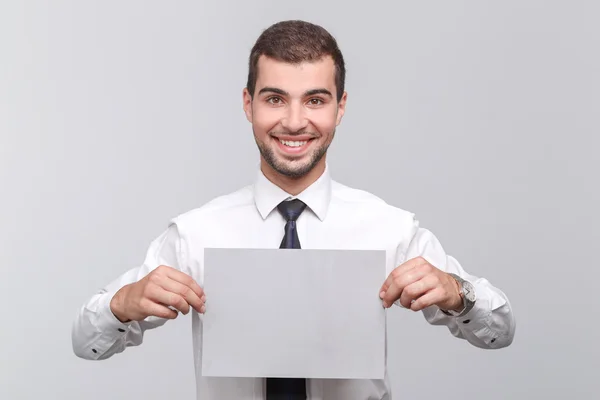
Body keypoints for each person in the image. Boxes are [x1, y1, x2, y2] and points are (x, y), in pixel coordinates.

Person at [72, 19, 515, 400]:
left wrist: (459, 293)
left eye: (316, 100)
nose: (295, 121)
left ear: (340, 108)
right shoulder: (195, 233)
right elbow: (87, 342)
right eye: (275, 98)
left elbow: (498, 332)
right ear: (249, 104)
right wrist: (123, 303)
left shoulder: (389, 228)